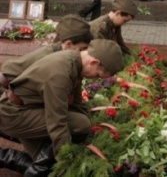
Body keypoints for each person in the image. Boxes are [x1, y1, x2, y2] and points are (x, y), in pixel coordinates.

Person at [0, 38, 124, 176]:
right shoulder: (60, 73)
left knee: (47, 165)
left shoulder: (75, 61)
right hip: (14, 114)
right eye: (98, 75)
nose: (95, 79)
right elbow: (57, 122)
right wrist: (67, 158)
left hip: (29, 109)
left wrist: (91, 130)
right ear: (94, 62)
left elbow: (77, 102)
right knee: (80, 124)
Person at [0, 14, 93, 174]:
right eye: (83, 48)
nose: (85, 53)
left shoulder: (66, 58)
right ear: (69, 44)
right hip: (13, 106)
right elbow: (7, 75)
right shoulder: (51, 58)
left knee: (44, 160)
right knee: (46, 158)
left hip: (28, 107)